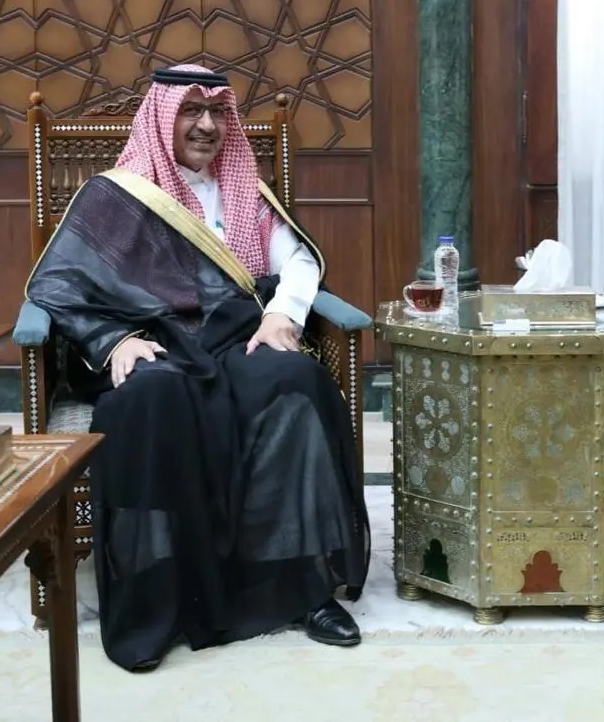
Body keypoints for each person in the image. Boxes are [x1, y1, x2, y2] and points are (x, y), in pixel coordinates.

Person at [25, 64, 371, 672]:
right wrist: (113, 341)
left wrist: (282, 315)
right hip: (152, 343)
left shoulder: (243, 190)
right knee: (151, 401)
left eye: (216, 112)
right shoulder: (115, 195)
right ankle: (158, 601)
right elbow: (61, 286)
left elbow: (297, 262)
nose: (207, 125)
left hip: (233, 338)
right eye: (191, 110)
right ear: (161, 118)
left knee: (296, 382)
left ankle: (303, 587)